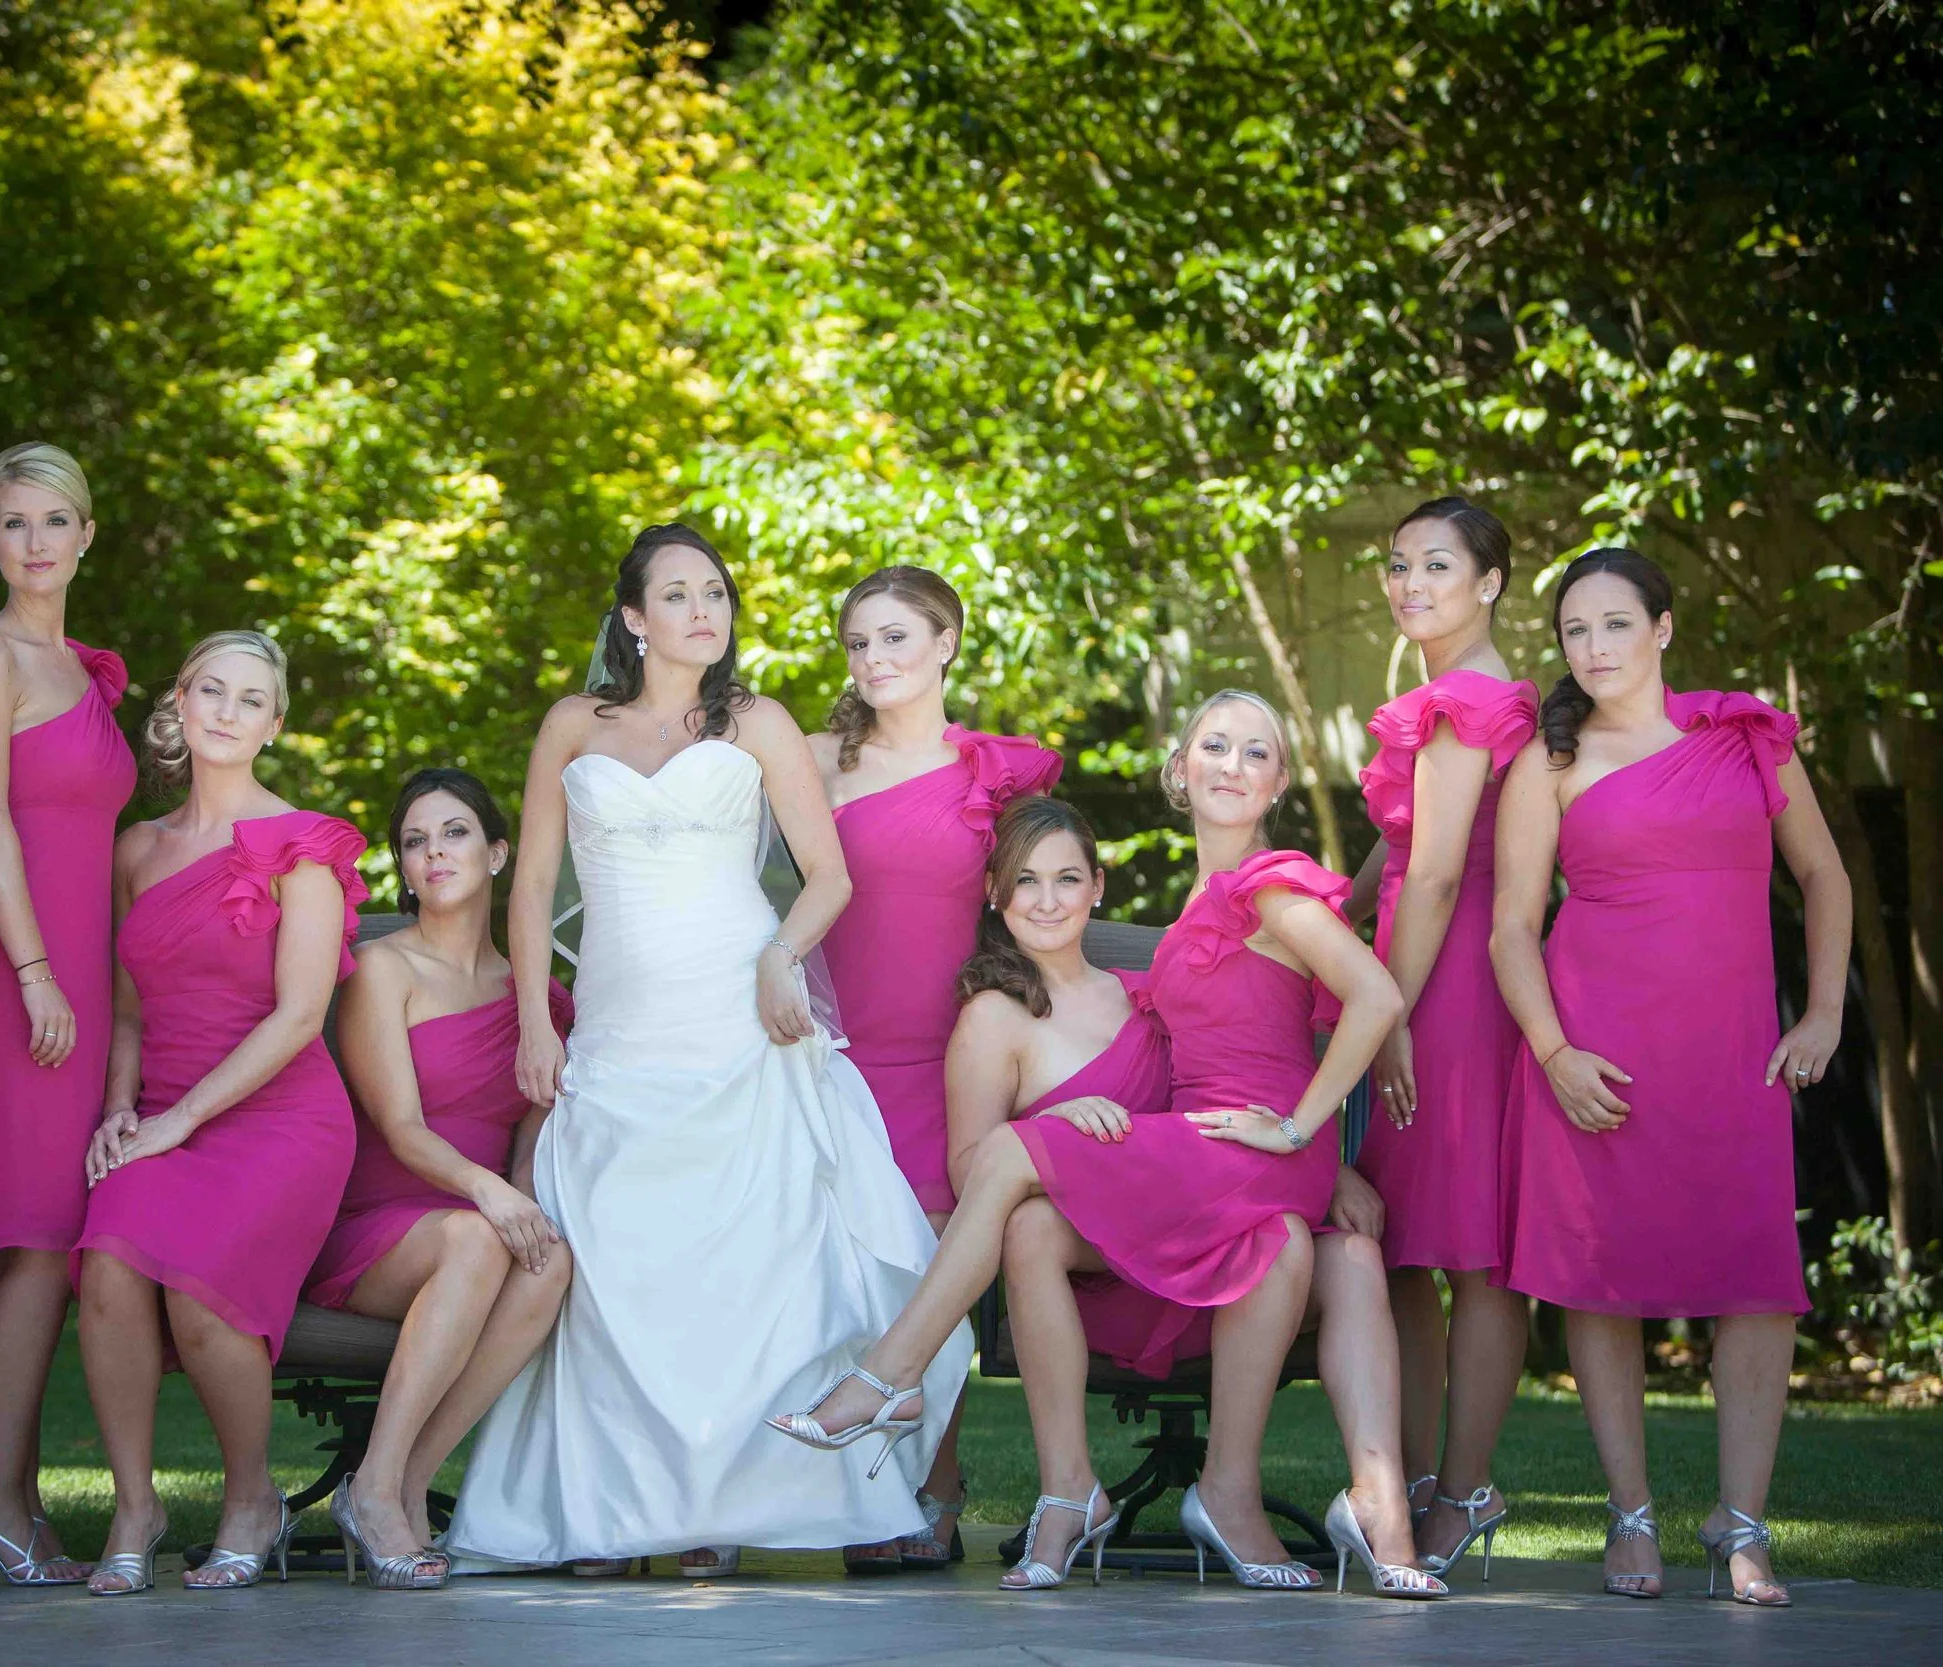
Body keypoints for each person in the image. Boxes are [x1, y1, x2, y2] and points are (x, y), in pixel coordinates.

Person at [771, 693, 1446, 1600]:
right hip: (1223, 1181)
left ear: (1098, 887)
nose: (1232, 764)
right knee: (1076, 1207)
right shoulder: (1163, 953)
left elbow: (1355, 1009)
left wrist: (1307, 1135)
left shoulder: (1268, 887)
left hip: (1252, 1154)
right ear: (1179, 768)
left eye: (1255, 752)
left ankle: (890, 1375)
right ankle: (1361, 1507)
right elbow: (1223, 1056)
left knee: (1020, 1150)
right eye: (1213, 745)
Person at [441, 524, 970, 1576]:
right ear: (634, 618)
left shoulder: (759, 722)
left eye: (715, 593)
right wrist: (541, 1025)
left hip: (740, 1018)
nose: (703, 610)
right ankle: (610, 1512)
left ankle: (721, 1509)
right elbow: (533, 886)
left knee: (739, 1269)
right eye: (676, 594)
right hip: (621, 1028)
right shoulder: (571, 726)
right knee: (619, 1268)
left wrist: (782, 957)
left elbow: (827, 878)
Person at [1490, 549, 1850, 1607]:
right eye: (1572, 631)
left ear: (1662, 629)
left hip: (1734, 1051)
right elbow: (1512, 926)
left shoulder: (1744, 737)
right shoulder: (1548, 762)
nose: (1592, 648)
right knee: (1602, 1277)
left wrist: (1822, 1010)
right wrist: (1553, 1051)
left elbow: (1822, 871)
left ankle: (1741, 1523)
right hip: (1594, 1048)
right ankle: (1630, 1512)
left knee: (1756, 1280)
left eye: (1612, 624)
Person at [72, 630, 364, 1595]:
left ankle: (251, 1497)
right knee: (107, 1262)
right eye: (212, 690)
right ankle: (135, 1503)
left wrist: (178, 1120)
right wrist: (121, 1109)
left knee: (198, 1291)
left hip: (279, 1121)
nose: (229, 711)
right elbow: (124, 1005)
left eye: (251, 699)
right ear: (182, 702)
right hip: (163, 1110)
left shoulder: (305, 847)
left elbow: (299, 1017)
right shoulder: (137, 850)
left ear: (275, 723)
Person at [808, 566, 1061, 1571]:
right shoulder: (815, 760)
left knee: (927, 1264)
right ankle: (813, 1492)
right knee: (828, 1268)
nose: (874, 660)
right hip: (826, 1047)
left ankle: (935, 1489)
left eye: (896, 638)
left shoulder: (995, 773)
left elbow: (1042, 904)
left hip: (948, 1052)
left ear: (948, 641)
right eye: (858, 643)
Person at [0, 443, 133, 1587]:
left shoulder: (88, 671)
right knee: (33, 1236)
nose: (38, 540)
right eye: (15, 523)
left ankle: (4, 1485)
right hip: (18, 970)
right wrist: (33, 972)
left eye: (56, 518)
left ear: (85, 534)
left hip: (83, 977)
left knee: (57, 1236)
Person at [301, 768, 578, 1589]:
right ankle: (382, 1487)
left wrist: (519, 1194)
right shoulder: (381, 969)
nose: (433, 853)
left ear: (498, 853)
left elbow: (533, 1131)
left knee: (550, 1260)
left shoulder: (542, 999)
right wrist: (491, 1194)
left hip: (478, 1225)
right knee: (474, 1235)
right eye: (414, 841)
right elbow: (401, 1128)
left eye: (454, 832)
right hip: (377, 1224)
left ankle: (400, 1482)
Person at [1341, 497, 1541, 1576]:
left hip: (1447, 997)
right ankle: (1418, 1482)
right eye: (1397, 564)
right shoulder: (1440, 695)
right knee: (1404, 1248)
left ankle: (1461, 1488)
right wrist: (1324, 931)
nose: (1409, 582)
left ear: (1490, 581)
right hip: (1411, 978)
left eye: (1436, 565)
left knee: (1469, 1250)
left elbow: (1437, 871)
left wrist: (1386, 1010)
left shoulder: (1468, 701)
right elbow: (1393, 854)